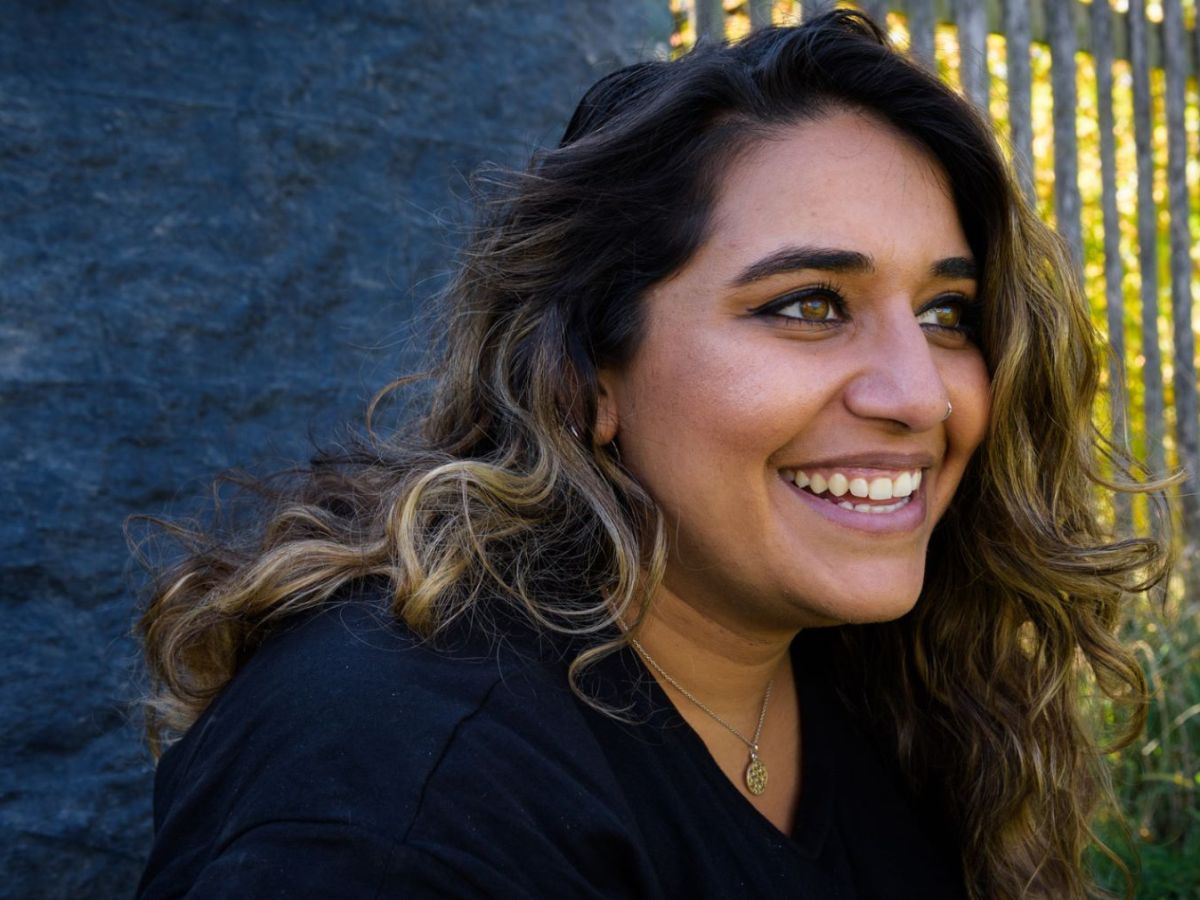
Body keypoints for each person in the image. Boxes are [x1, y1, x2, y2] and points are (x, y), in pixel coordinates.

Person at [134, 10, 1170, 899]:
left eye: (948, 313)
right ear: (586, 373)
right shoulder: (397, 793)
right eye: (809, 305)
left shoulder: (884, 687)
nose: (918, 394)